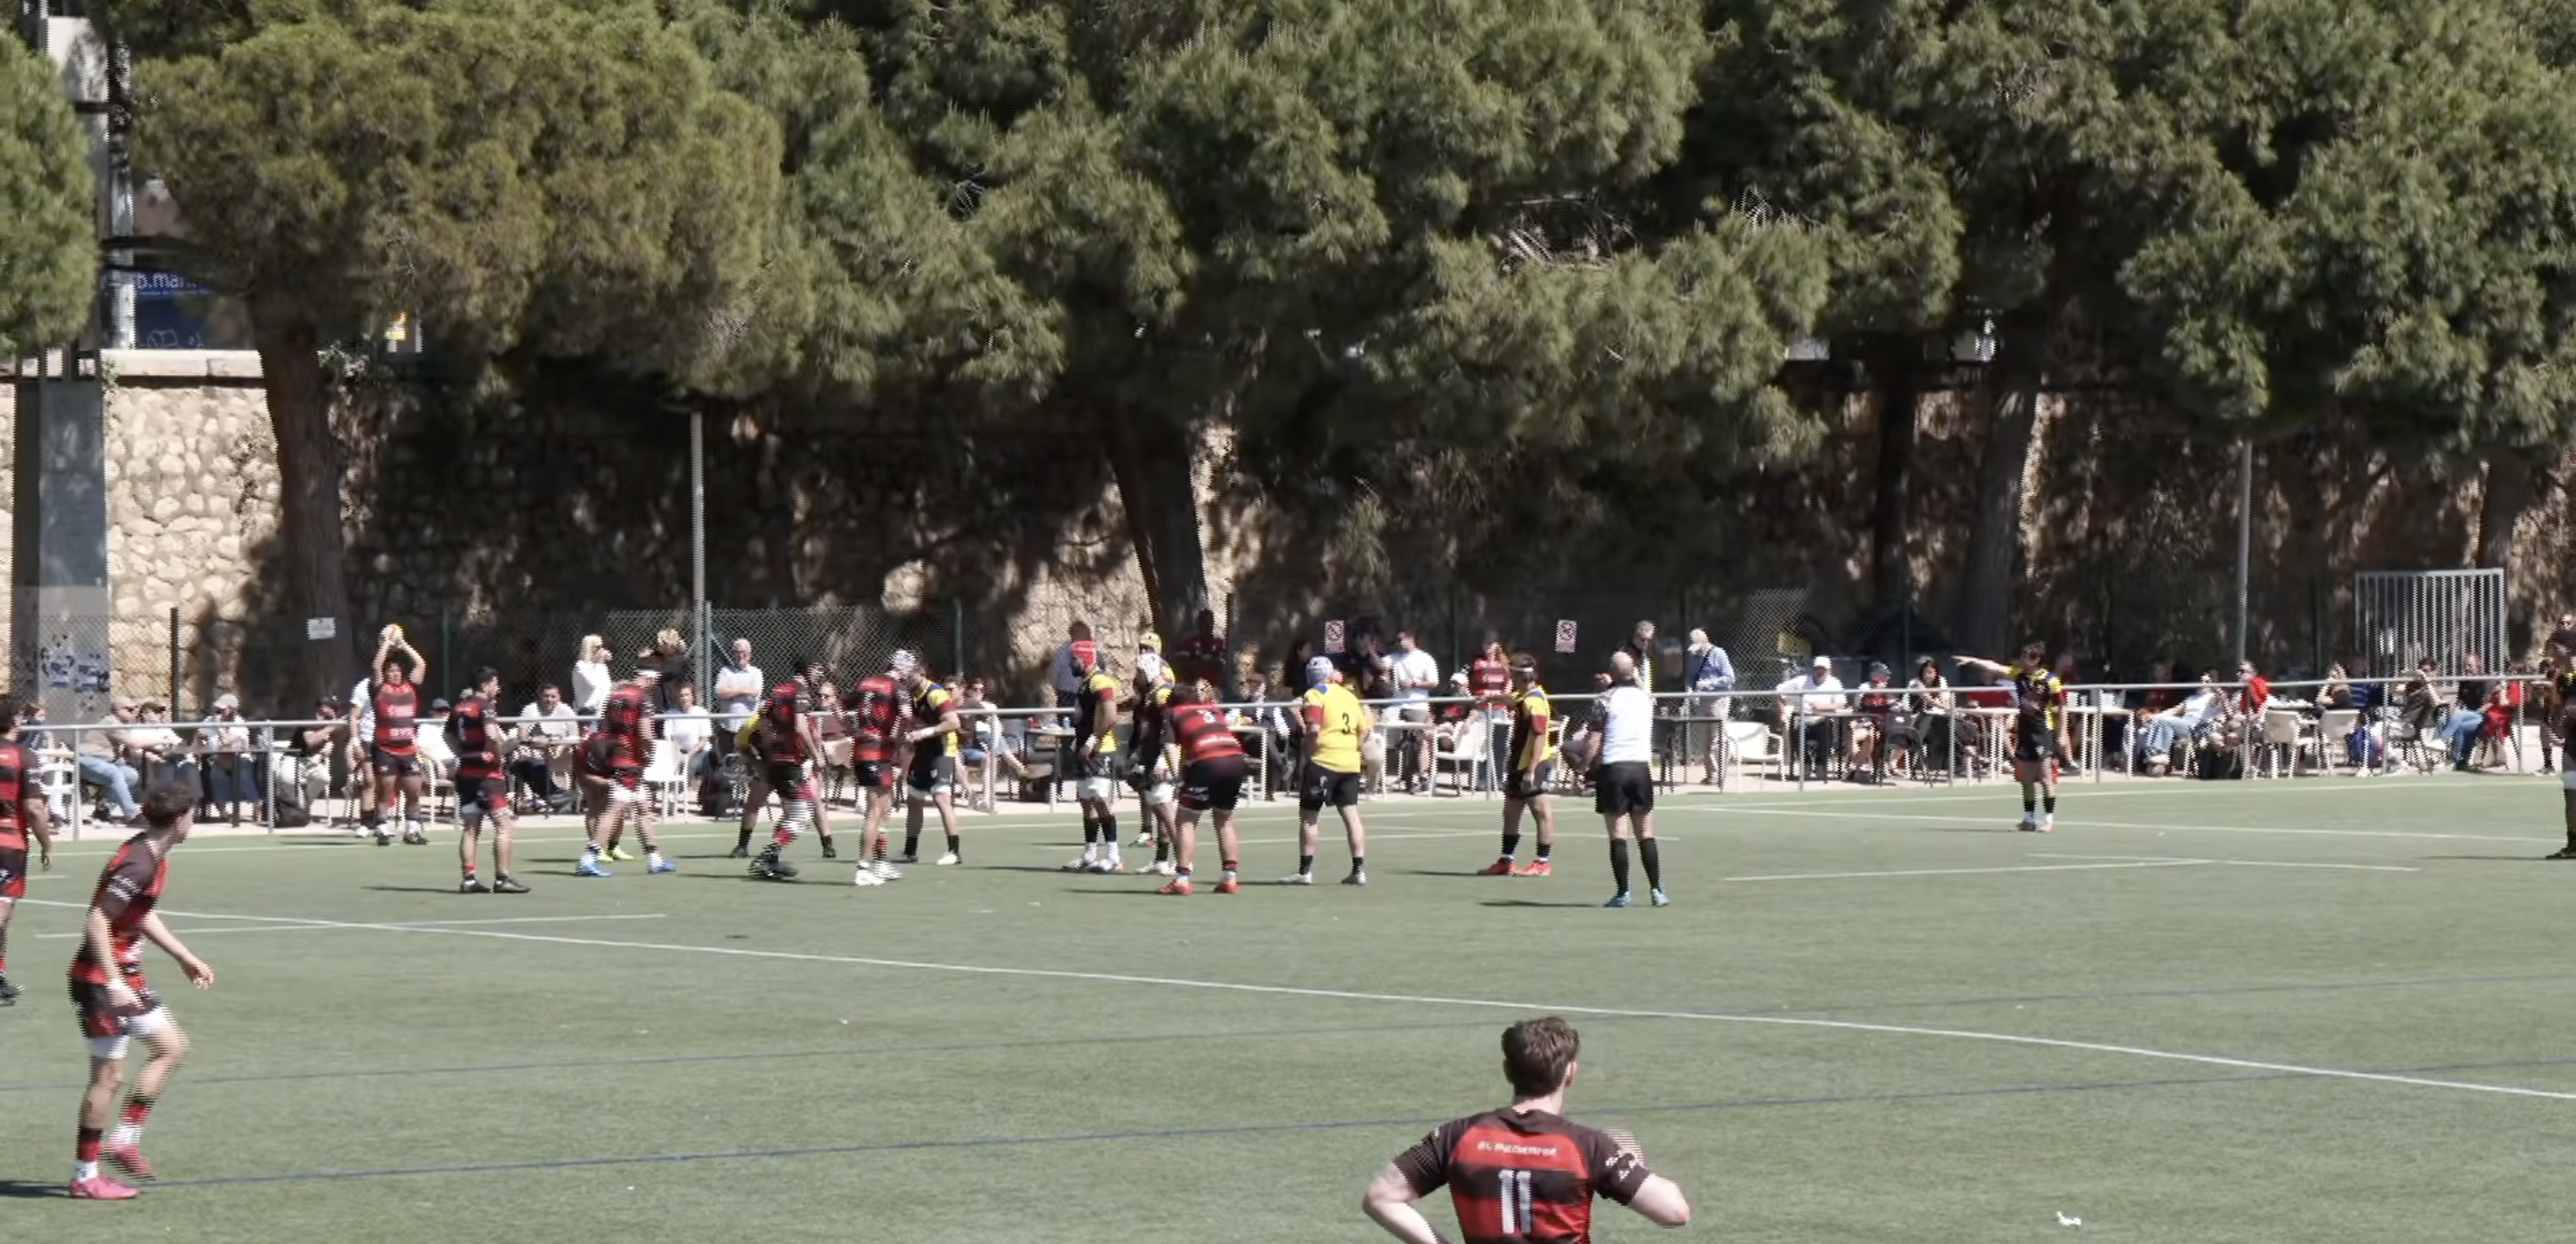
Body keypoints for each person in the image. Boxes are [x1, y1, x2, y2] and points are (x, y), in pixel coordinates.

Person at [1361, 1016, 1690, 1244]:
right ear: (1571, 1073)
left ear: (1507, 1070)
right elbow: (1674, 1212)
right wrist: (1634, 1165)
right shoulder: (1588, 1146)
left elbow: (1381, 1197)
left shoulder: (1457, 1136)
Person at [66, 781, 214, 1199]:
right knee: (108, 1076)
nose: (193, 821)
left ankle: (124, 1140)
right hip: (99, 980)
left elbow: (139, 914)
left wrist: (184, 957)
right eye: (193, 814)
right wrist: (113, 982)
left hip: (124, 975)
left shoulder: (153, 854)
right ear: (182, 818)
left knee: (171, 1047)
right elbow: (96, 920)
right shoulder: (139, 863)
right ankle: (84, 1176)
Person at [572, 659, 675, 878]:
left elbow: (606, 727)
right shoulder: (643, 698)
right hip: (630, 761)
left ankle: (654, 859)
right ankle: (588, 858)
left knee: (643, 809)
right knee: (613, 809)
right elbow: (646, 733)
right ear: (649, 678)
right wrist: (650, 752)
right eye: (654, 681)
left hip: (617, 756)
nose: (654, 686)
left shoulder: (615, 695)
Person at [1957, 643, 2065, 831]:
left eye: (2026, 656)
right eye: (2022, 656)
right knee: (2026, 779)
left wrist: (2062, 733)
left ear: (2036, 659)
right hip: (2025, 731)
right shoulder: (2019, 674)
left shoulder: (2051, 680)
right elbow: (1994, 666)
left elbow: (2062, 707)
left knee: (2046, 779)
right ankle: (2029, 819)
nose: (2022, 660)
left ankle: (2049, 820)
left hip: (2043, 732)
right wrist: (1973, 661)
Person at [1157, 681, 1250, 895]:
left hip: (1208, 761)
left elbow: (1171, 746)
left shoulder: (1173, 713)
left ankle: (1181, 879)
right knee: (1224, 818)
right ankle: (1230, 877)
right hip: (1236, 759)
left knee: (1186, 820)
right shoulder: (1212, 708)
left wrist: (1178, 777)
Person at [1589, 652, 1665, 907]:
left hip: (1614, 768)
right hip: (1641, 768)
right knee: (1646, 832)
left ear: (1610, 671)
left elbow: (1594, 738)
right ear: (1633, 672)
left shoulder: (1604, 699)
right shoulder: (1646, 698)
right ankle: (1657, 890)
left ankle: (1623, 893)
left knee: (1618, 834)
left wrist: (1583, 764)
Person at [746, 661, 831, 882]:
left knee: (790, 813)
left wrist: (770, 747)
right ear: (806, 670)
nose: (819, 673)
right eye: (816, 669)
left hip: (774, 760)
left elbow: (762, 719)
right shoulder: (800, 693)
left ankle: (771, 861)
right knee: (800, 818)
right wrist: (816, 755)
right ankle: (767, 858)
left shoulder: (777, 689)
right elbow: (800, 727)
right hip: (790, 762)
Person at [446, 668, 528, 894]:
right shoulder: (485, 707)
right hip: (487, 776)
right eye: (495, 684)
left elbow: (448, 735)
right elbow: (492, 735)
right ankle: (503, 878)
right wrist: (504, 752)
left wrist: (463, 754)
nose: (498, 688)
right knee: (504, 825)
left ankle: (469, 878)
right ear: (485, 685)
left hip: (466, 774)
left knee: (471, 828)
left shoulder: (459, 707)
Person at [0, 696, 59, 1005]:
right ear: (16, 720)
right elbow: (34, 807)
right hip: (7, 843)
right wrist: (47, 843)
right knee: (1, 912)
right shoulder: (23, 756)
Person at [1293, 656, 1372, 886]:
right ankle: (1359, 870)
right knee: (1351, 816)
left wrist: (1308, 755)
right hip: (1350, 763)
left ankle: (1304, 871)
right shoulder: (1349, 695)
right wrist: (1353, 748)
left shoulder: (1315, 694)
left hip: (1324, 761)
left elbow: (1314, 729)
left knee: (1309, 816)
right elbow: (1364, 730)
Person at [1480, 655, 1557, 877]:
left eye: (1512, 674)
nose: (1509, 678)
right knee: (1511, 813)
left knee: (1541, 812)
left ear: (1522, 676)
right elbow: (1511, 699)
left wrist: (1531, 770)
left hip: (1533, 764)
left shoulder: (1536, 702)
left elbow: (1539, 736)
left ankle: (1543, 863)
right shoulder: (1524, 696)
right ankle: (1506, 860)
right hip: (1517, 764)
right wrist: (1490, 700)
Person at [1060, 640, 1129, 873]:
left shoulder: (1100, 681)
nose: (1072, 663)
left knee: (1100, 800)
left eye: (1075, 659)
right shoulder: (1085, 683)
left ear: (1086, 659)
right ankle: (1090, 854)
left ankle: (1114, 856)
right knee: (1086, 801)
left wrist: (1092, 741)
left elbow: (1111, 715)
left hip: (1100, 751)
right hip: (1085, 750)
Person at [842, 654, 909, 880]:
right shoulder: (897, 687)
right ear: (903, 669)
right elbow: (907, 716)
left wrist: (851, 731)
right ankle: (863, 868)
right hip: (876, 753)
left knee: (886, 809)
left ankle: (880, 862)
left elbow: (836, 705)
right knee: (874, 812)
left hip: (866, 752)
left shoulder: (865, 683)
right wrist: (899, 741)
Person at [363, 625, 431, 846]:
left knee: (414, 790)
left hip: (408, 749)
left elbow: (421, 664)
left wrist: (403, 645)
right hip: (386, 749)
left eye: (397, 671)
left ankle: (412, 829)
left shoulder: (410, 687)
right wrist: (386, 645)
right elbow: (376, 666)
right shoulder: (380, 688)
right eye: (390, 671)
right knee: (386, 789)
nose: (393, 674)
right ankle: (382, 828)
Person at [897, 657, 966, 868]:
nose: (906, 678)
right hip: (924, 751)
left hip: (942, 750)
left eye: (909, 673)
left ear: (920, 672)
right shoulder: (911, 695)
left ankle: (954, 852)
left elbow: (953, 722)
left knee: (941, 798)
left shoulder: (935, 693)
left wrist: (924, 732)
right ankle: (909, 851)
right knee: (914, 801)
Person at [1125, 650, 1184, 873]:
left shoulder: (1162, 695)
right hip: (1151, 757)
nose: (1137, 676)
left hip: (1160, 761)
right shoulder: (1154, 694)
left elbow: (1169, 732)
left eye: (1139, 671)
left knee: (1167, 814)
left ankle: (1183, 863)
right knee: (1160, 811)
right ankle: (1161, 860)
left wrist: (1163, 761)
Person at [1387, 631, 1441, 794]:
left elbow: (1434, 682)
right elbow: (1381, 665)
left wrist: (1414, 683)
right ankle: (1407, 779)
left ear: (1411, 640)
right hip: (1396, 706)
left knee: (1420, 742)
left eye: (1401, 639)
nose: (1398, 642)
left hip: (1417, 706)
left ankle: (1423, 779)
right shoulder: (1394, 657)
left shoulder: (1425, 658)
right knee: (1404, 744)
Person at [1681, 628, 1736, 783]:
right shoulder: (1694, 657)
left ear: (1704, 642)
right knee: (1705, 738)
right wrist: (1690, 690)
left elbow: (1729, 678)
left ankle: (1719, 775)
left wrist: (1709, 684)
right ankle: (1711, 774)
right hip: (1701, 701)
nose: (1696, 651)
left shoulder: (1718, 654)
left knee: (1717, 738)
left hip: (1718, 700)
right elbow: (1691, 678)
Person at [196, 694, 258, 824]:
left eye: (222, 710)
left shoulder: (239, 723)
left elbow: (227, 741)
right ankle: (223, 812)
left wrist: (220, 727)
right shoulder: (209, 720)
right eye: (217, 710)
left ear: (233, 709)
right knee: (216, 775)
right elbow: (198, 739)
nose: (218, 713)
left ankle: (256, 805)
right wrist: (200, 738)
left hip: (239, 756)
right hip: (216, 758)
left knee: (243, 774)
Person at [77, 702, 142, 825]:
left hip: (105, 762)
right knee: (114, 773)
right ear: (117, 710)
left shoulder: (124, 725)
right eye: (129, 709)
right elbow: (134, 743)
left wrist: (122, 756)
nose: (133, 712)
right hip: (86, 760)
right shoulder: (111, 722)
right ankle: (132, 814)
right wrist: (162, 740)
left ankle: (103, 809)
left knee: (131, 775)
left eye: (134, 709)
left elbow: (127, 747)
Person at [571, 633, 613, 717]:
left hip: (602, 712)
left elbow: (607, 686)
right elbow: (594, 684)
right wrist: (600, 660)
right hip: (588, 712)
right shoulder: (581, 666)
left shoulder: (601, 666)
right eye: (598, 647)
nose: (602, 650)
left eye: (602, 647)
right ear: (589, 648)